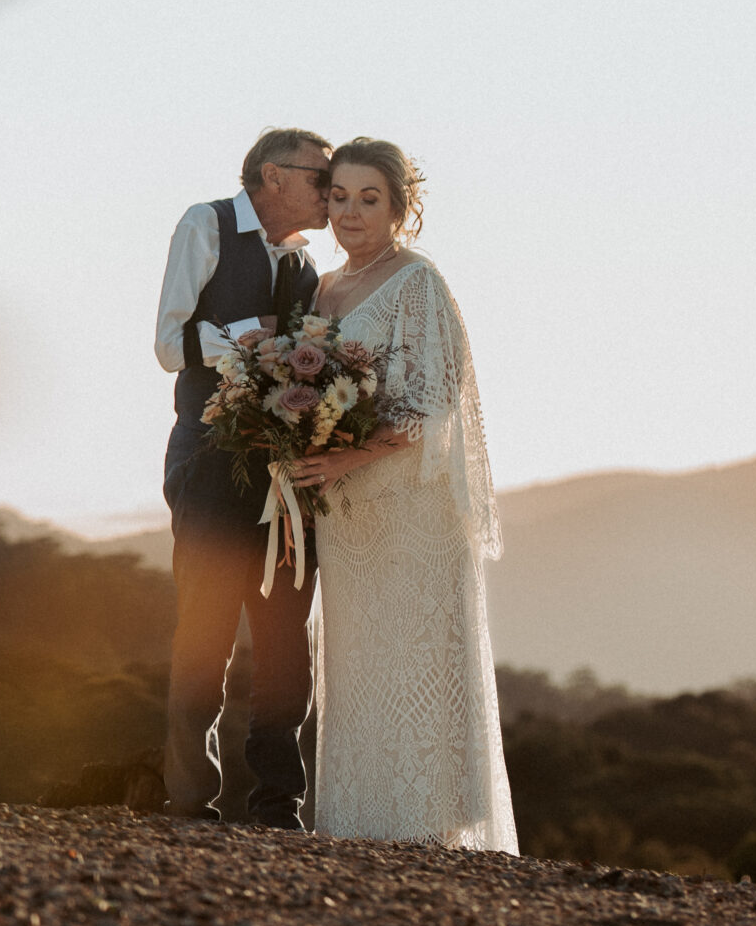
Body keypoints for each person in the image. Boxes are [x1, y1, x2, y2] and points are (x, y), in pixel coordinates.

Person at [286, 138, 517, 851]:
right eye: (340, 196)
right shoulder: (321, 291)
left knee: (419, 667)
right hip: (350, 519)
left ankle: (433, 836)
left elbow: (430, 406)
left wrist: (346, 456)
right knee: (360, 672)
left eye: (369, 198)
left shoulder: (418, 283)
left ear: (399, 208)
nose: (350, 212)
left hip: (412, 517)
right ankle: (360, 832)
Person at [154, 127, 332, 827]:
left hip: (285, 474)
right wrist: (246, 335)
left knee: (288, 640)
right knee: (205, 631)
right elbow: (170, 344)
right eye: (320, 177)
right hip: (207, 459)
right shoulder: (207, 222)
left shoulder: (306, 266)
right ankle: (190, 799)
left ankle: (275, 805)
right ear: (271, 174)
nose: (329, 192)